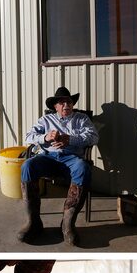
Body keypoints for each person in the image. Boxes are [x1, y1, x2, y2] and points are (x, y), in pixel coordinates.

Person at [18, 86, 99, 246]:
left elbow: (94, 137)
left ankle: (67, 224)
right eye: (61, 103)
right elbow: (28, 137)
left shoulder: (81, 119)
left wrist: (70, 139)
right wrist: (45, 137)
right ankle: (34, 222)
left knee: (83, 168)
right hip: (48, 157)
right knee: (28, 166)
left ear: (73, 104)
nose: (66, 105)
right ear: (55, 106)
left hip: (72, 158)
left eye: (68, 102)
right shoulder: (45, 120)